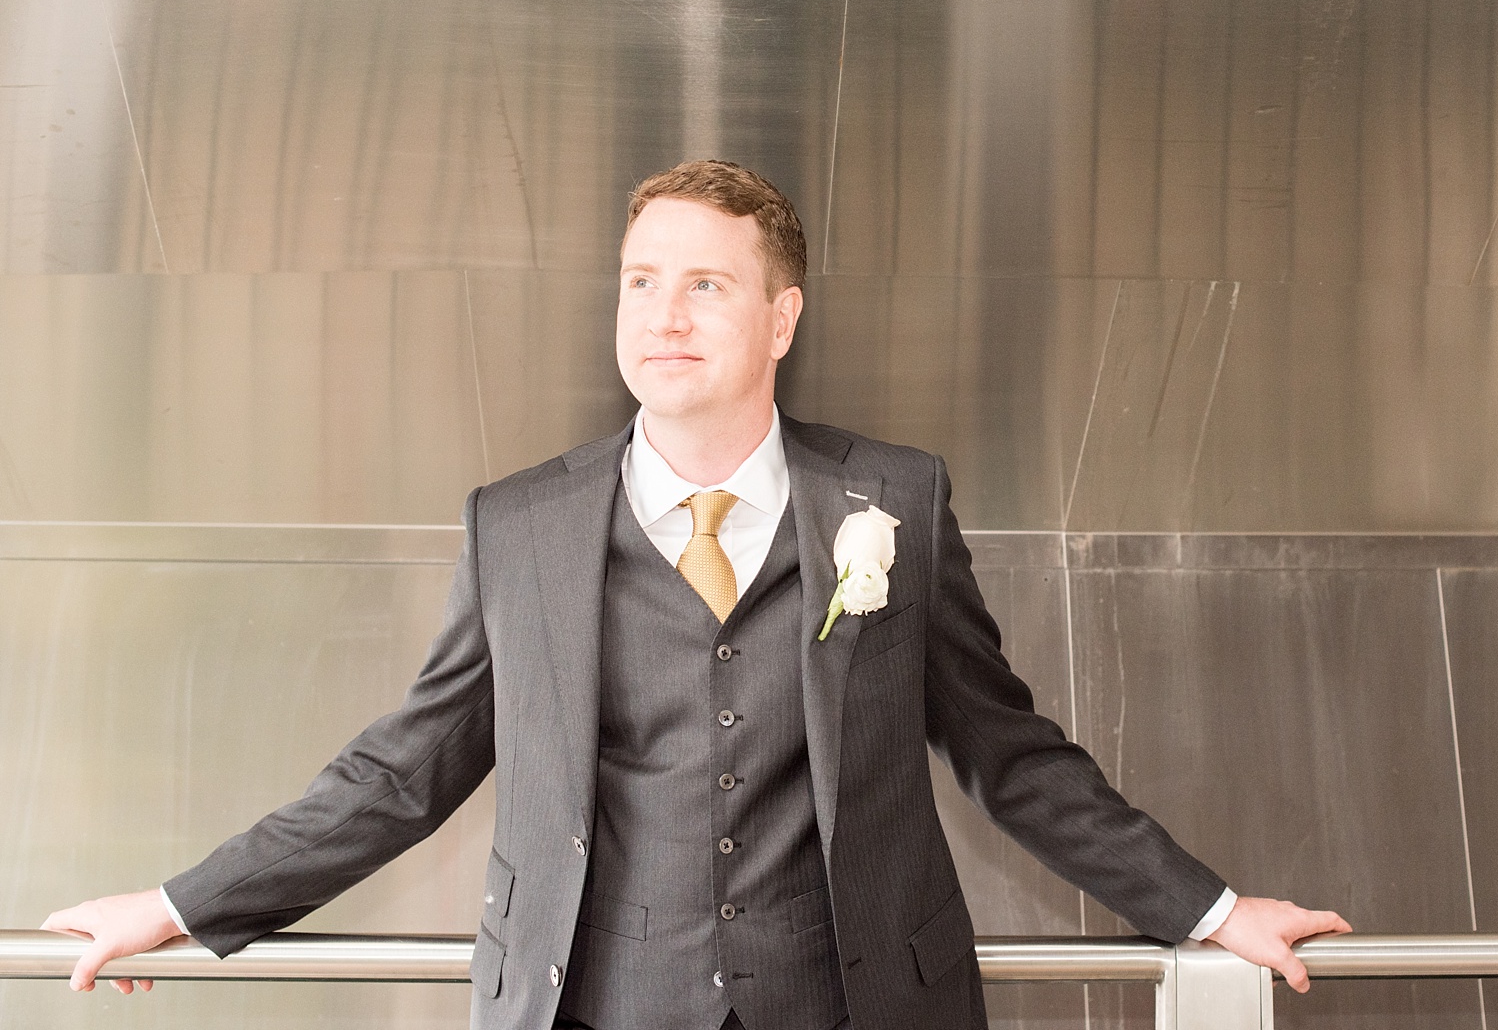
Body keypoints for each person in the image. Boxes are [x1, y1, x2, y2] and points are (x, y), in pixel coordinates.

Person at [44, 160, 1349, 1029]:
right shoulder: (524, 525)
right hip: (595, 1004)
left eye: (705, 285)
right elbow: (406, 769)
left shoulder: (892, 504)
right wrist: (178, 905)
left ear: (780, 320)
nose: (664, 314)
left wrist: (1215, 911)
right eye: (641, 282)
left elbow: (1009, 755)